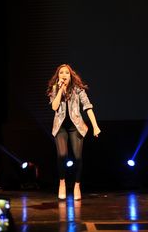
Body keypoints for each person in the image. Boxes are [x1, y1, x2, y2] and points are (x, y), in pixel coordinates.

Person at [47, 64, 101, 200]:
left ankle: (77, 185)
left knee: (77, 157)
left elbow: (88, 107)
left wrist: (95, 126)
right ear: (58, 76)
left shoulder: (78, 89)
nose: (64, 75)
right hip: (60, 127)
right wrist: (60, 90)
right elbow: (54, 107)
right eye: (61, 73)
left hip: (75, 127)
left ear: (70, 75)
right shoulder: (55, 88)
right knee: (62, 155)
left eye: (66, 73)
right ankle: (62, 183)